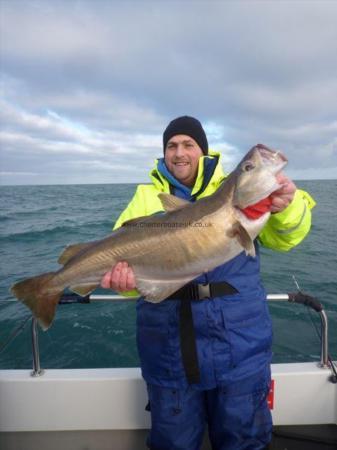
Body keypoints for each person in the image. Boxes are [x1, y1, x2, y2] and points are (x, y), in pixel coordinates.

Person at [101, 116, 316, 450]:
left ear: (203, 150)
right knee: (173, 443)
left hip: (239, 345)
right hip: (168, 349)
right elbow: (128, 273)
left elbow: (287, 238)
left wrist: (287, 205)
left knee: (244, 441)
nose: (179, 152)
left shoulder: (238, 194)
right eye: (172, 146)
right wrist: (122, 282)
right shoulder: (147, 198)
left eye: (188, 144)